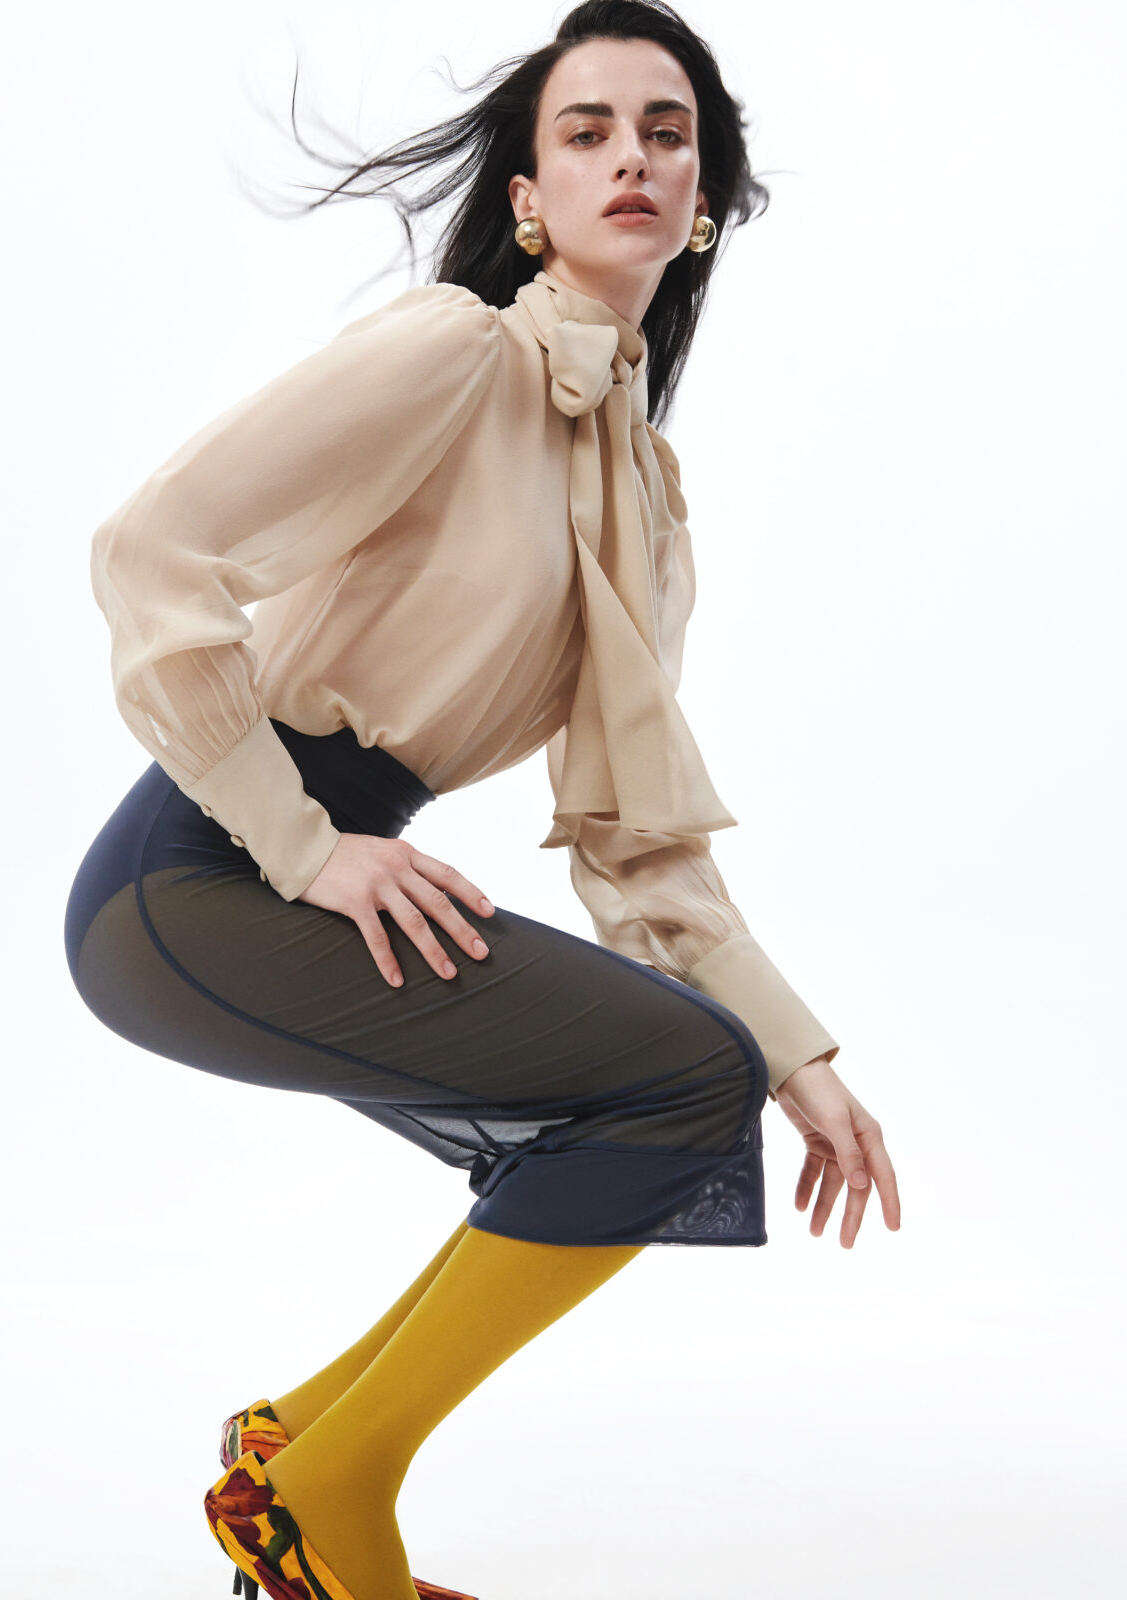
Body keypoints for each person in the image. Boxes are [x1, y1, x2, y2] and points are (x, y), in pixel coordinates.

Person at [63, 4, 901, 1597]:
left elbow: (636, 837)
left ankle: (294, 1454)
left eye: (666, 132)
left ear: (703, 197)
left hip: (296, 873)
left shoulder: (644, 499)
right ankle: (334, 1490)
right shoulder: (453, 353)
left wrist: (797, 1053)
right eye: (587, 131)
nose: (630, 156)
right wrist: (305, 845)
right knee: (673, 1079)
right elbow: (150, 549)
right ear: (528, 196)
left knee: (686, 1073)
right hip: (202, 877)